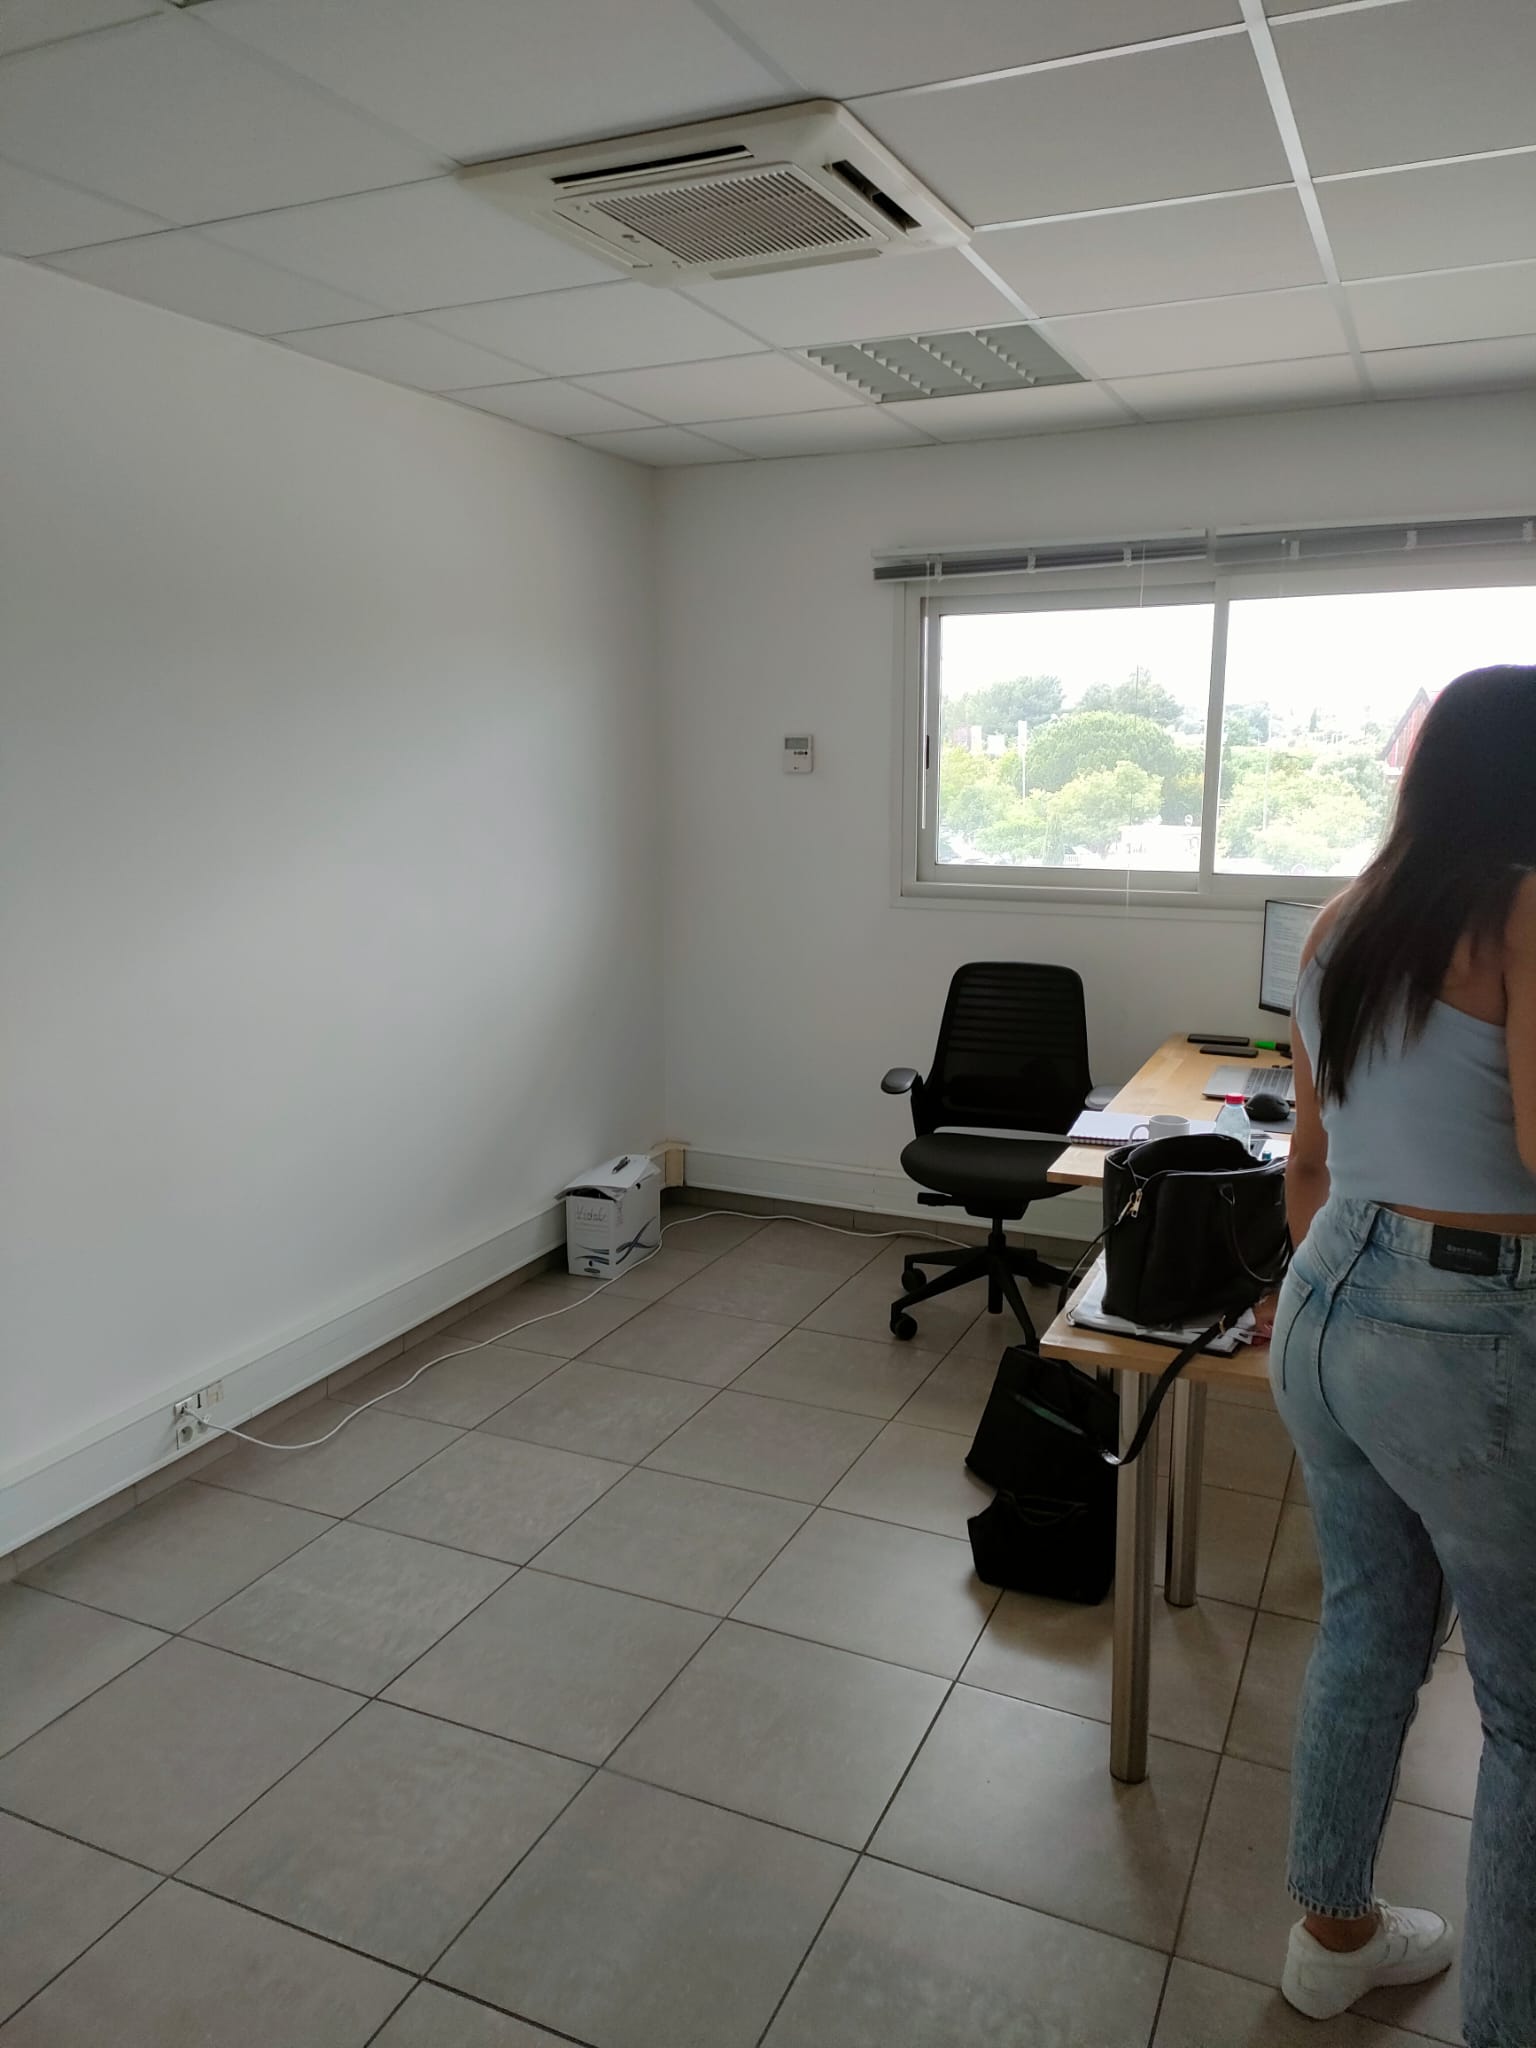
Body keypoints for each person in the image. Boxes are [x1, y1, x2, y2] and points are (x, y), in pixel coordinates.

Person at [1272, 662, 1536, 2048]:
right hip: (1465, 1321)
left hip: (1325, 1297)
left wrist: (1341, 1298)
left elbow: (1307, 1161)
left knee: (1370, 1621)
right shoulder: (1528, 911)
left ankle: (1333, 1943)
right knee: (1527, 1710)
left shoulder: (1343, 918)